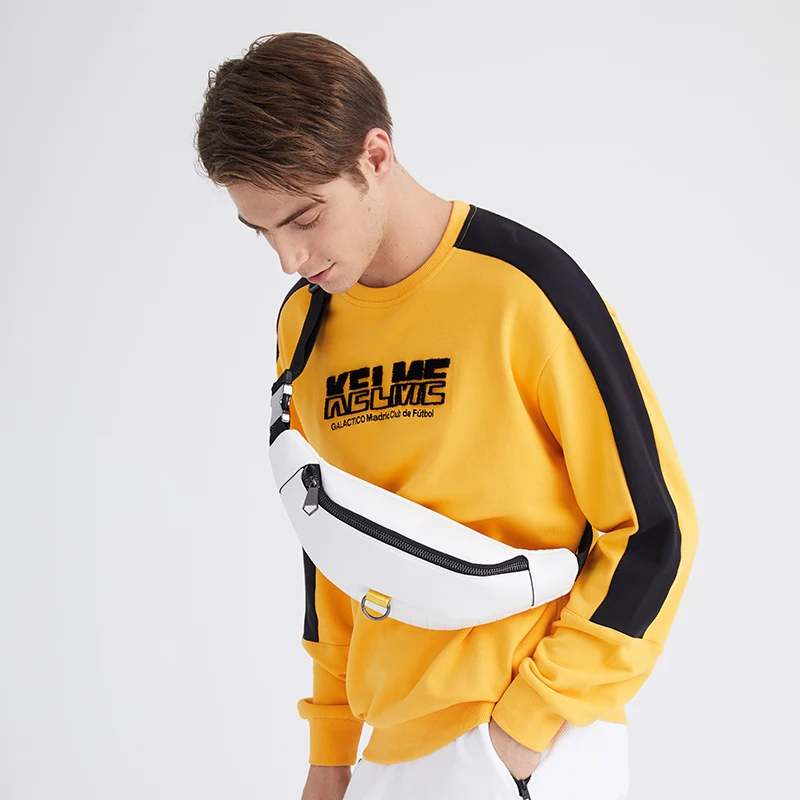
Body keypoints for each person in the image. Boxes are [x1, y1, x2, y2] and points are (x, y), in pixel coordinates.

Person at [194, 31, 698, 800]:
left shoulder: (524, 288)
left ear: (375, 156)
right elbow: (334, 542)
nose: (288, 258)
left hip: (525, 744)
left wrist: (521, 734)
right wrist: (331, 756)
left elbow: (656, 531)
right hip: (386, 753)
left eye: (304, 218)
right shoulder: (306, 325)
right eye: (262, 231)